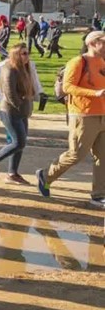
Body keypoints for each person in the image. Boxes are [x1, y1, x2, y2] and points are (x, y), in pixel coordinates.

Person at [37, 31, 105, 206]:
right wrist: (94, 93)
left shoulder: (103, 62)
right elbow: (67, 86)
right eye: (103, 43)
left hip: (102, 114)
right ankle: (46, 175)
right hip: (83, 115)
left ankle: (98, 194)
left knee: (103, 156)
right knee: (76, 154)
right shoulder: (77, 62)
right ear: (92, 43)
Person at [0, 44, 37, 184]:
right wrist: (21, 105)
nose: (27, 56)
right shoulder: (9, 69)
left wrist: (31, 100)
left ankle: (12, 173)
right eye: (23, 53)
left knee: (21, 143)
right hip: (10, 111)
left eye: (27, 53)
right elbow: (10, 93)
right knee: (18, 142)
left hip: (21, 111)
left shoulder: (25, 68)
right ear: (16, 55)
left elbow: (31, 86)